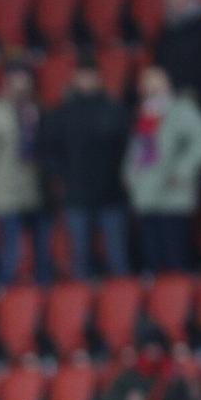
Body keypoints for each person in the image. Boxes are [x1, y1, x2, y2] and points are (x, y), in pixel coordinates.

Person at [124, 66, 201, 274]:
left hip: (172, 196)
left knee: (176, 260)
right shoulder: (144, 114)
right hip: (146, 197)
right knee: (153, 261)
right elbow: (137, 151)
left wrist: (183, 170)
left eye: (155, 81)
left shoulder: (181, 110)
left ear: (167, 83)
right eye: (146, 82)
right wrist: (130, 176)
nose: (150, 87)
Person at [38, 66, 131, 278]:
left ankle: (123, 305)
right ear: (75, 79)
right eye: (83, 76)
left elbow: (129, 149)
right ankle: (83, 306)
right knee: (80, 258)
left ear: (99, 79)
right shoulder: (61, 114)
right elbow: (48, 151)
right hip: (76, 194)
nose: (87, 81)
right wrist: (61, 176)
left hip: (112, 192)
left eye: (91, 76)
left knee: (118, 257)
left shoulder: (114, 110)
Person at [0, 65, 50, 284]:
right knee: (11, 250)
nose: (21, 86)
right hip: (7, 191)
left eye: (25, 80)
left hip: (37, 191)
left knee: (41, 252)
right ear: (6, 83)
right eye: (16, 80)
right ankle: (4, 296)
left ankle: (41, 296)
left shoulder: (37, 111)